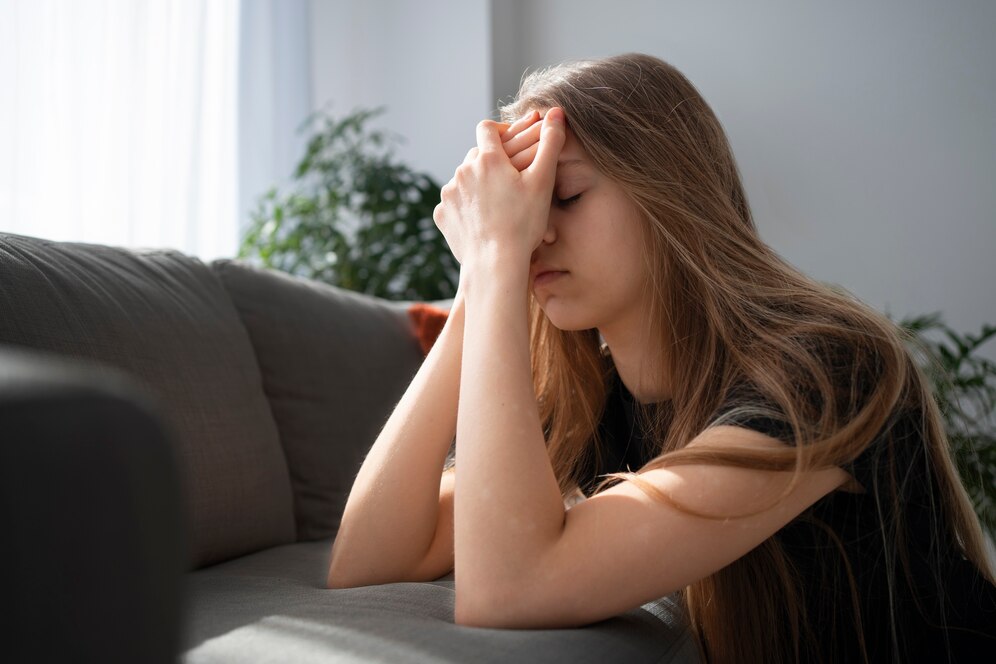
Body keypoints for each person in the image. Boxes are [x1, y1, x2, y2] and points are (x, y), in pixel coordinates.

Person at [326, 53, 996, 662]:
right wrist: (478, 280)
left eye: (564, 195)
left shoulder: (826, 370)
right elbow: (367, 560)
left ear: (668, 194)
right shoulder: (602, 404)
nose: (536, 233)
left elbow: (507, 591)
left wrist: (499, 256)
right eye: (521, 212)